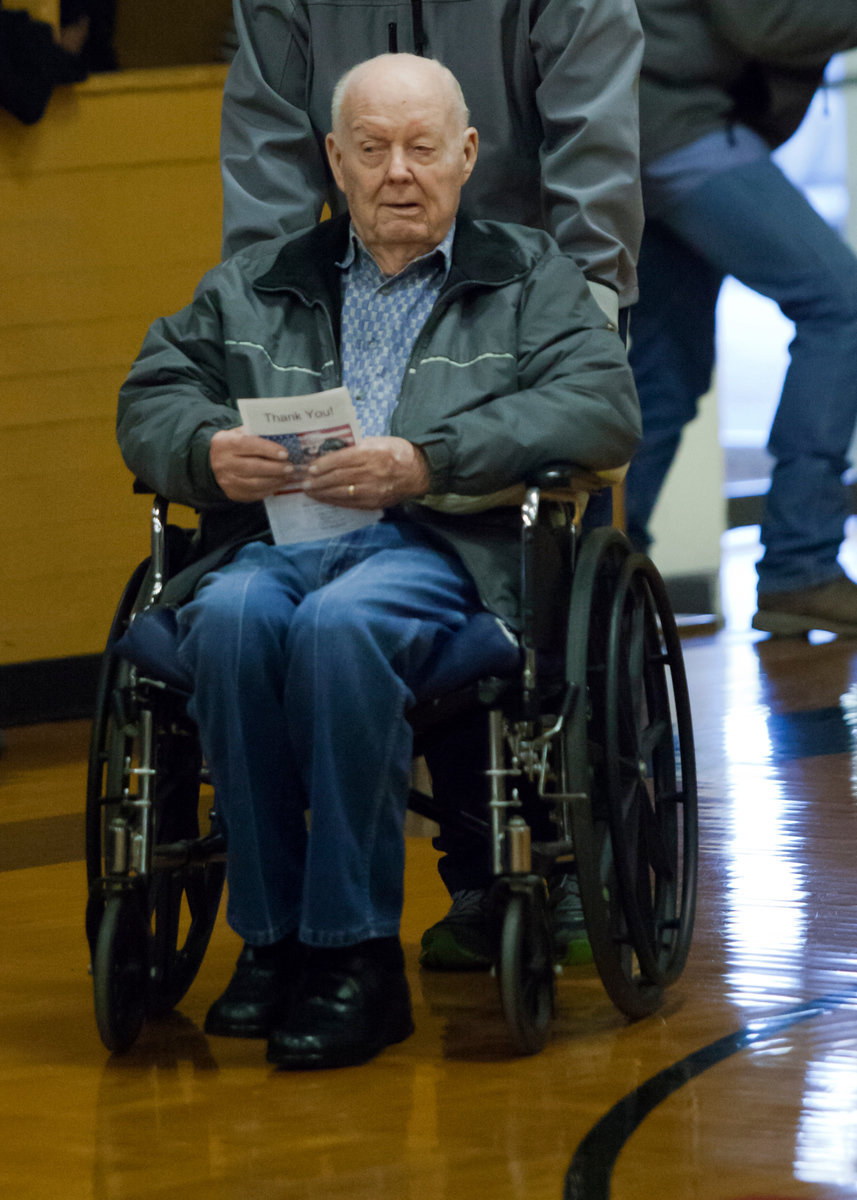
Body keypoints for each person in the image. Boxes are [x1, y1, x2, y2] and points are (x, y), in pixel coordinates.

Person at [117, 53, 640, 1069]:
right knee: (225, 620)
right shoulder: (260, 282)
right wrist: (203, 450)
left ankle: (354, 956)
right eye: (371, 149)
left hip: (438, 547)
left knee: (339, 626)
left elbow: (599, 405)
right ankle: (268, 947)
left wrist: (424, 461)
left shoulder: (528, 276)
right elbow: (154, 392)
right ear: (334, 162)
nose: (397, 172)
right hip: (278, 540)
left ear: (465, 156)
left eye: (420, 148)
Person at [217, 0, 645, 969]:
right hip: (363, 281)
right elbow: (266, 156)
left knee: (513, 570)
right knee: (321, 591)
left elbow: (591, 146)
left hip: (519, 292)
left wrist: (573, 336)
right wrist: (258, 324)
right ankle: (360, 907)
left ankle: (538, 859)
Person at [626, 1, 857, 638]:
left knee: (663, 378)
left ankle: (602, 598)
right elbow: (765, 23)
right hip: (674, 122)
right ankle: (800, 564)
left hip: (651, 124)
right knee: (843, 303)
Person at [219, 0, 644, 331]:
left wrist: (592, 297)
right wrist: (260, 310)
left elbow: (592, 133)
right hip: (358, 282)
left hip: (527, 288)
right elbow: (268, 146)